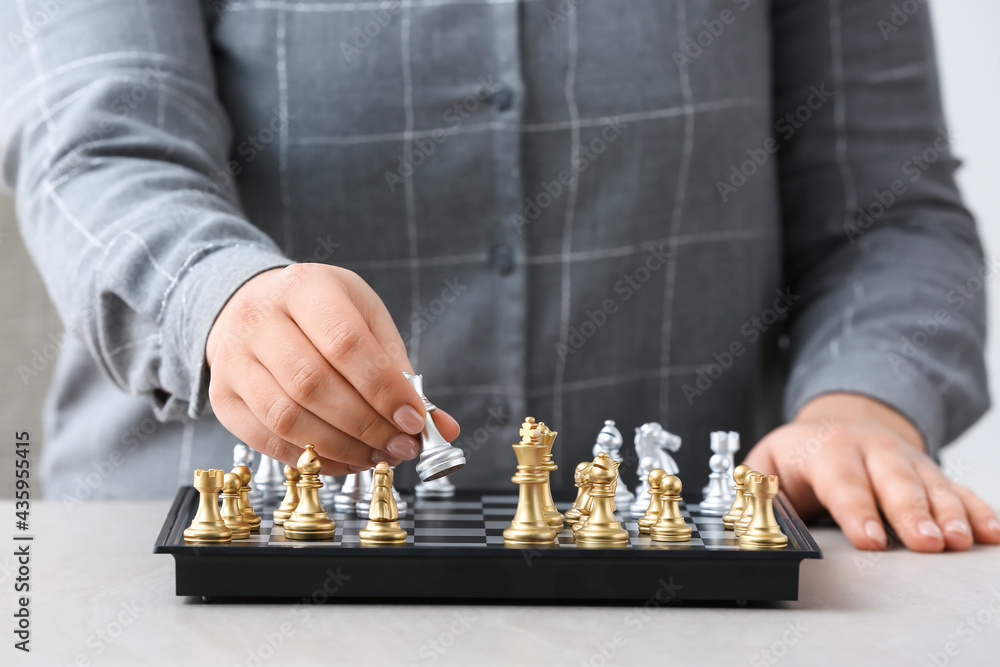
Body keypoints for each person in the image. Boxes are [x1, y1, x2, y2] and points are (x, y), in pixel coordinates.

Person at [1, 0, 997, 553]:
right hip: (184, 563)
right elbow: (97, 152)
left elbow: (889, 215)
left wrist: (864, 408)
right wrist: (213, 298)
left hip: (674, 602)